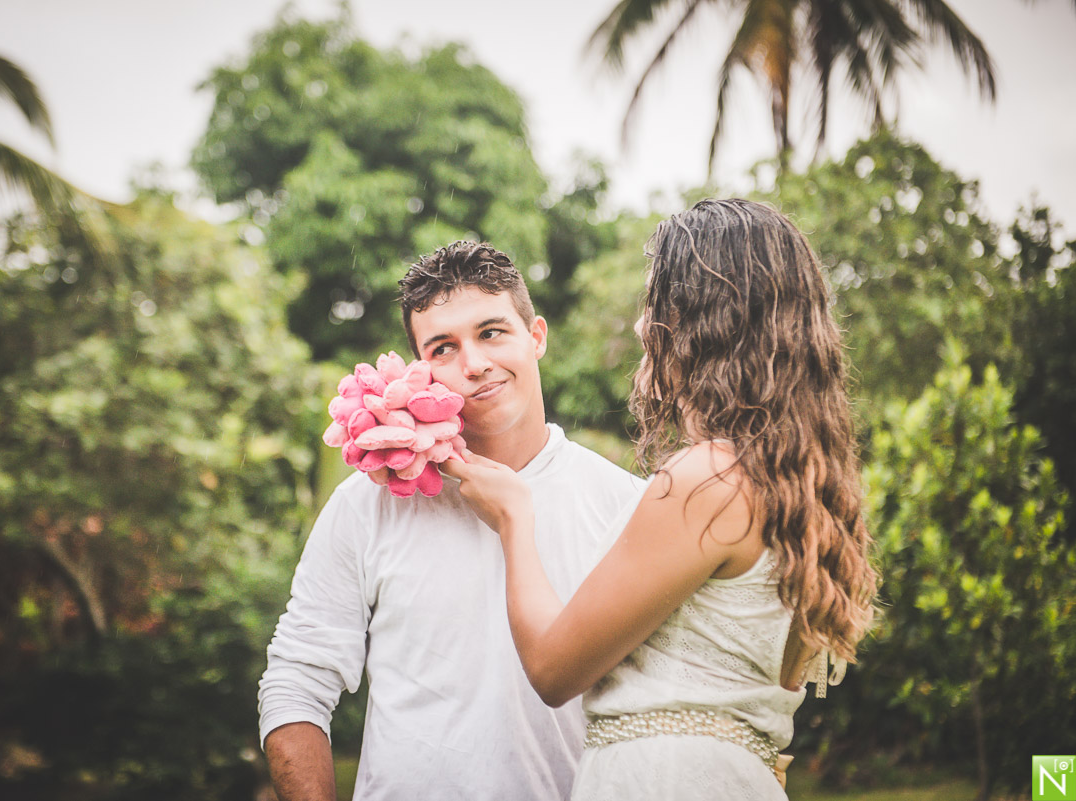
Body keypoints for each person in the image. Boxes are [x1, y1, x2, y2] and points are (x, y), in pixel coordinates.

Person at [442, 199, 879, 800]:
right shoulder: (798, 488)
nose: (642, 327)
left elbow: (552, 668)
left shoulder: (707, 480)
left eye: (655, 304)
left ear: (698, 320)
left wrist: (515, 518)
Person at [259, 241, 644, 800]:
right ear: (420, 369)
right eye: (443, 348)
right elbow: (297, 679)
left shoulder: (624, 504)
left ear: (535, 336)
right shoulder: (366, 503)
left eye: (492, 332)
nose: (474, 364)